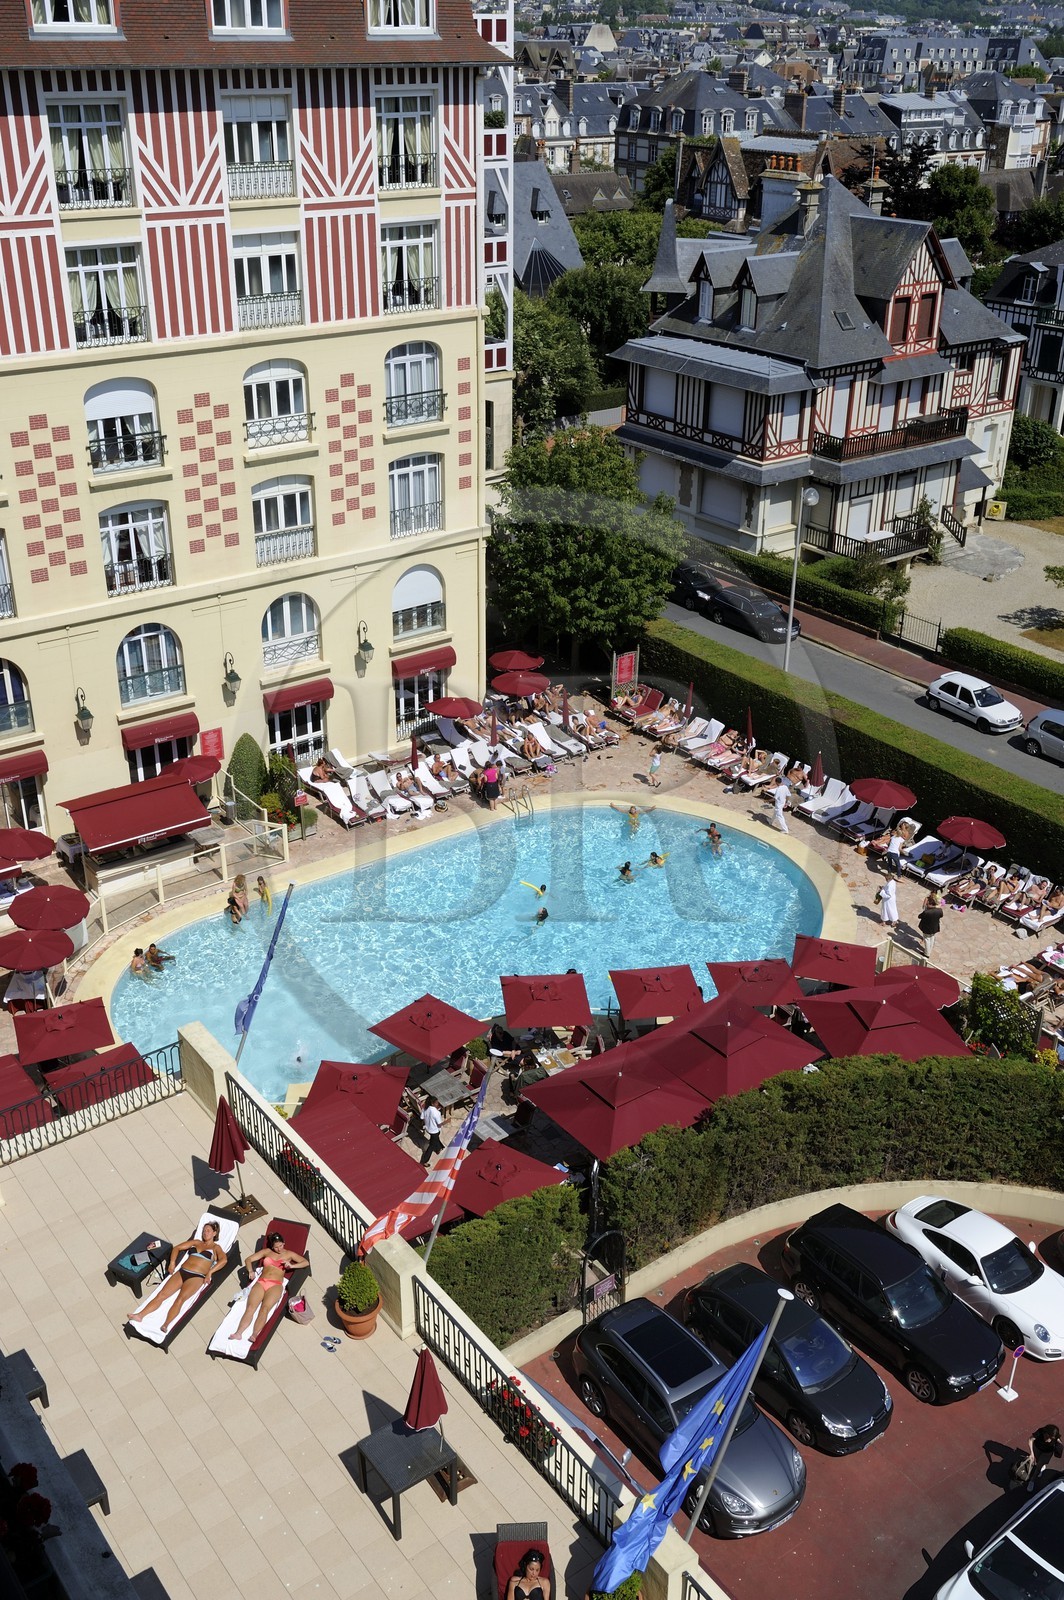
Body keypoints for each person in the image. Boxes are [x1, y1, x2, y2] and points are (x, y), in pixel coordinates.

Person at [126, 1221, 227, 1333]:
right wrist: (172, 1263)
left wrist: (210, 1272)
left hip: (197, 1276)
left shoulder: (215, 1248)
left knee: (180, 1299)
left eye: (208, 1231)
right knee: (161, 1294)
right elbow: (177, 1248)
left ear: (214, 1233)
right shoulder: (196, 1242)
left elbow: (224, 1260)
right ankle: (140, 1315)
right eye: (204, 1230)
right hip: (182, 1271)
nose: (205, 1233)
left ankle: (166, 1325)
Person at [235, 1231, 309, 1344]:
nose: (279, 1249)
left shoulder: (289, 1254)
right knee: (250, 1307)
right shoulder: (267, 1252)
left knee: (264, 1309)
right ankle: (238, 1333)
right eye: (276, 1247)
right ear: (272, 1246)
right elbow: (248, 1260)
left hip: (275, 1285)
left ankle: (254, 1334)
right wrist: (250, 1271)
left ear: (284, 1243)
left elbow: (305, 1262)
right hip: (261, 1282)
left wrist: (292, 1265)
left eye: (281, 1245)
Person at [1024, 1424, 1063, 1493]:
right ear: (1045, 1432)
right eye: (1048, 1436)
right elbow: (1030, 1439)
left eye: (1051, 1438)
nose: (1049, 1440)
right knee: (1037, 1460)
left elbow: (1060, 1444)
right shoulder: (1040, 1432)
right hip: (1037, 1448)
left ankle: (1032, 1481)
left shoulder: (1055, 1438)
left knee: (1038, 1467)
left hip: (1047, 1453)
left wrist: (1060, 1446)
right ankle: (1041, 1465)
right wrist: (1032, 1453)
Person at [919, 890, 944, 957]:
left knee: (927, 940)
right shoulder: (939, 910)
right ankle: (929, 950)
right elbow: (941, 915)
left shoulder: (926, 912)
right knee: (932, 938)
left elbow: (919, 916)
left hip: (927, 928)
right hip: (934, 927)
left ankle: (927, 954)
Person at [420, 1098, 444, 1165]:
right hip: (434, 1131)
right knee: (431, 1146)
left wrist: (427, 1123)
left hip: (428, 1129)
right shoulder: (437, 1113)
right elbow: (439, 1124)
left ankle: (439, 1148)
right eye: (436, 1103)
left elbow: (422, 1118)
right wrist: (446, 1122)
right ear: (432, 1103)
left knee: (435, 1139)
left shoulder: (425, 1108)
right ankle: (424, 1161)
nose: (438, 1104)